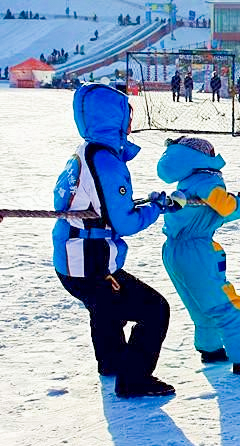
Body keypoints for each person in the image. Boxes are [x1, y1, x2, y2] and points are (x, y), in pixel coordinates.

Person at [52, 84, 179, 398]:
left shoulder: (84, 151)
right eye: (127, 114)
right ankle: (133, 379)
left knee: (106, 306)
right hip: (90, 263)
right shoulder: (107, 162)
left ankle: (111, 362)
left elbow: (98, 206)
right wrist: (156, 208)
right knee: (154, 309)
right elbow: (124, 223)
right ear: (115, 118)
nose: (130, 122)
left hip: (70, 259)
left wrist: (135, 204)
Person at [156, 137, 240, 375]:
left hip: (173, 251)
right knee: (226, 304)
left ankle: (211, 349)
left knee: (199, 303)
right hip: (196, 252)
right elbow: (225, 207)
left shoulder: (187, 182)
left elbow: (213, 214)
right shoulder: (207, 179)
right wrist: (237, 203)